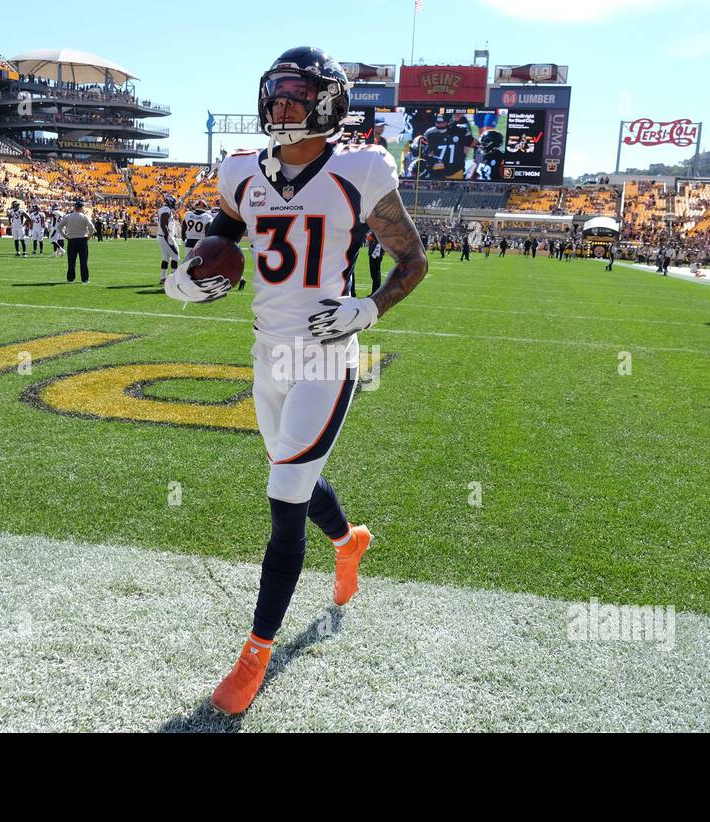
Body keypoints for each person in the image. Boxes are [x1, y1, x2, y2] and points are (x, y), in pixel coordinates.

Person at [163, 46, 427, 716]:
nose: (280, 106)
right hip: (266, 356)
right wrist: (188, 280)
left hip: (325, 358)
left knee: (283, 499)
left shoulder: (360, 168)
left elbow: (413, 260)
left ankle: (253, 656)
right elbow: (218, 246)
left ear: (327, 101)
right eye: (275, 95)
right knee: (296, 477)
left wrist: (366, 309)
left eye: (294, 95)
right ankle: (349, 541)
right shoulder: (242, 172)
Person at [54, 200, 93, 283]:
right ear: (81, 207)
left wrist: (65, 236)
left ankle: (71, 279)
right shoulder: (84, 217)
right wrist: (89, 236)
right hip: (82, 239)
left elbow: (59, 227)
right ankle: (84, 279)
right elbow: (92, 228)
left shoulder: (68, 216)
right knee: (83, 261)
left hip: (71, 240)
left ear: (75, 207)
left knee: (71, 260)